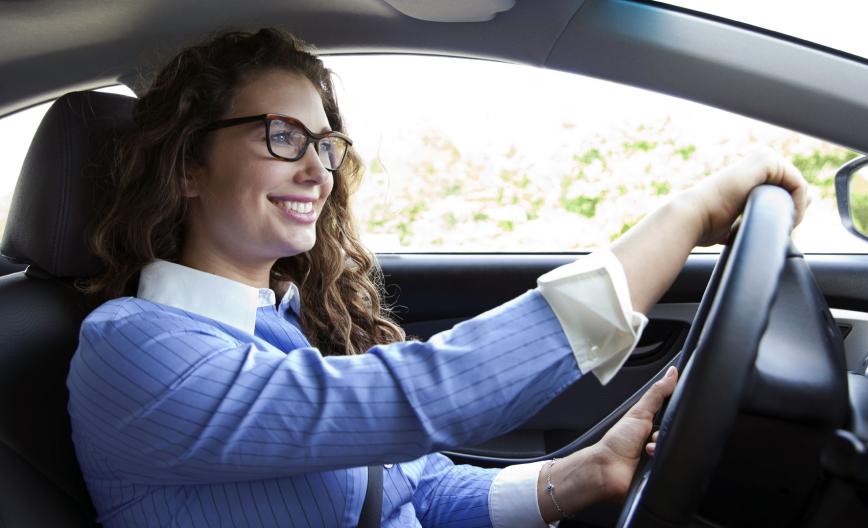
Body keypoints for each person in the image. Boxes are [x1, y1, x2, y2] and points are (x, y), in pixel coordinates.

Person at [66, 28, 809, 527]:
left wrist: (588, 473)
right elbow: (431, 392)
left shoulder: (280, 326)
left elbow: (411, 487)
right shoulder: (133, 351)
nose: (314, 170)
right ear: (189, 164)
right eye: (282, 136)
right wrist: (691, 214)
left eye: (324, 145)